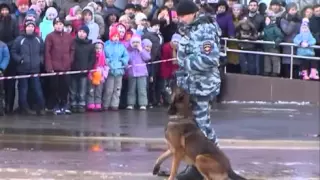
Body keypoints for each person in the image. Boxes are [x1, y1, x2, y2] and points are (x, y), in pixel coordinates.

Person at [174, 0, 221, 179]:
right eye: (179, 16)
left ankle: (209, 163)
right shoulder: (191, 29)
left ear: (193, 13)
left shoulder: (205, 30)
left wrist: (184, 63)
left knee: (201, 126)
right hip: (193, 84)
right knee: (197, 125)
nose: (181, 19)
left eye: (183, 16)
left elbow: (210, 59)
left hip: (203, 85)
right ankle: (203, 162)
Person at [11, 20, 46, 115]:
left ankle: (41, 107)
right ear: (25, 28)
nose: (30, 28)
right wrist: (20, 60)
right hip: (23, 69)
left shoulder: (38, 39)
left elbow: (42, 52)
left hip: (35, 68)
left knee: (37, 88)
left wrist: (40, 60)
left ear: (34, 28)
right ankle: (24, 108)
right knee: (23, 89)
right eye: (28, 26)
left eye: (32, 26)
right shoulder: (19, 39)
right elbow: (14, 52)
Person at [45, 17, 74, 115]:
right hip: (54, 67)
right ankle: (55, 105)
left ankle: (64, 104)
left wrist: (70, 61)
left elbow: (72, 50)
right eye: (57, 24)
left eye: (61, 24)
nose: (59, 26)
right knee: (54, 87)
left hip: (66, 67)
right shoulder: (50, 36)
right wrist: (49, 66)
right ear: (54, 25)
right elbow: (47, 52)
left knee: (65, 87)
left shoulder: (68, 36)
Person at [70, 25, 95, 113]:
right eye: (80, 31)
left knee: (82, 89)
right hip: (73, 70)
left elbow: (92, 59)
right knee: (73, 89)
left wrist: (89, 68)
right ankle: (73, 103)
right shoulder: (72, 42)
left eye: (84, 32)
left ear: (87, 34)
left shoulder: (90, 45)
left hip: (84, 71)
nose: (81, 34)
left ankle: (81, 104)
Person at [126, 35, 151, 110]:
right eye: (134, 42)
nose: (136, 44)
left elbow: (147, 58)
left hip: (142, 73)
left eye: (137, 42)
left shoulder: (143, 50)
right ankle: (131, 103)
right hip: (132, 72)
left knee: (142, 89)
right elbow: (127, 59)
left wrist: (141, 50)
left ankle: (143, 104)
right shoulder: (129, 51)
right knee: (131, 89)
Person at [87, 39, 109, 111]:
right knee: (91, 91)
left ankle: (98, 104)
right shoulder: (92, 57)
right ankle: (91, 104)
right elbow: (89, 66)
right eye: (96, 48)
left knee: (98, 91)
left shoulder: (104, 58)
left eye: (100, 48)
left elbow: (106, 67)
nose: (98, 50)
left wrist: (104, 76)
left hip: (100, 77)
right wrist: (89, 75)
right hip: (92, 77)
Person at [0, 40, 10, 116]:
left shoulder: (3, 45)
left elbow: (6, 57)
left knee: (0, 93)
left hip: (0, 72)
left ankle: (1, 110)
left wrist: (1, 68)